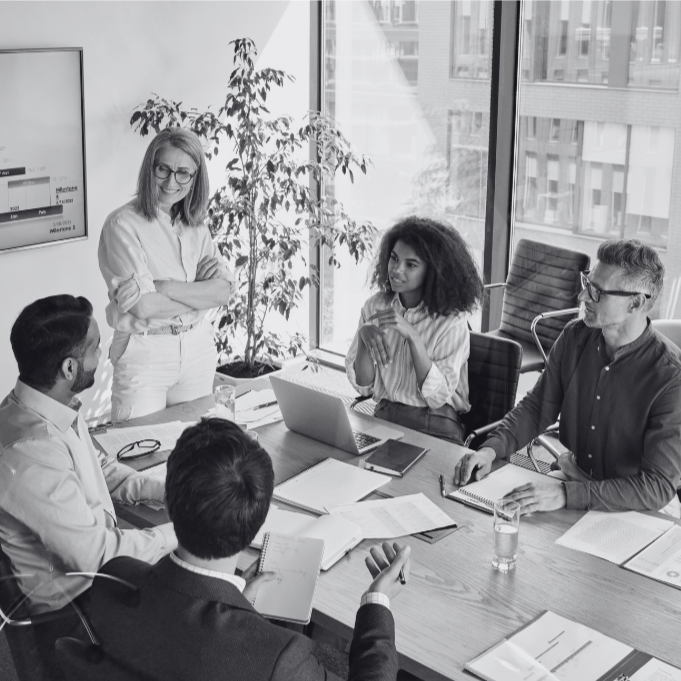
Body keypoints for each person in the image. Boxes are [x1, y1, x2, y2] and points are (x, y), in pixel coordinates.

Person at [90, 418, 410, 681]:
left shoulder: (112, 580)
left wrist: (238, 597)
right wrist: (377, 602)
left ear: (168, 503)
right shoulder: (278, 658)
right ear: (256, 525)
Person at [0, 295, 177, 679]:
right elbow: (97, 558)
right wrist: (178, 532)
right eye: (97, 347)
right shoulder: (31, 452)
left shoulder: (45, 404)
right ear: (69, 367)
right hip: (75, 616)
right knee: (201, 626)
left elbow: (99, 468)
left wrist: (167, 490)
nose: (106, 355)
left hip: (94, 584)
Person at [454, 239, 681, 516]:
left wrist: (565, 494)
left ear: (635, 303)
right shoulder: (575, 336)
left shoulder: (671, 377)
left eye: (597, 292)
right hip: (573, 480)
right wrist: (490, 450)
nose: (582, 297)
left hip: (634, 506)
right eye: (587, 284)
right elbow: (537, 407)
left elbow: (656, 487)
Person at [99, 127, 233, 423]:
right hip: (145, 352)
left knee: (199, 454)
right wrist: (200, 294)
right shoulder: (122, 225)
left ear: (195, 178)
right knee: (141, 453)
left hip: (197, 350)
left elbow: (223, 292)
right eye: (164, 169)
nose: (172, 181)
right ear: (150, 168)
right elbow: (143, 306)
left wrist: (166, 287)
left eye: (184, 172)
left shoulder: (197, 226)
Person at [346, 216, 484, 444]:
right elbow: (364, 387)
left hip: (435, 426)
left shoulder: (451, 322)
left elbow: (437, 397)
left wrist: (412, 336)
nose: (397, 270)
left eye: (411, 265)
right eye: (394, 258)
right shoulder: (375, 306)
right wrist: (363, 338)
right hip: (385, 418)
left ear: (433, 272)